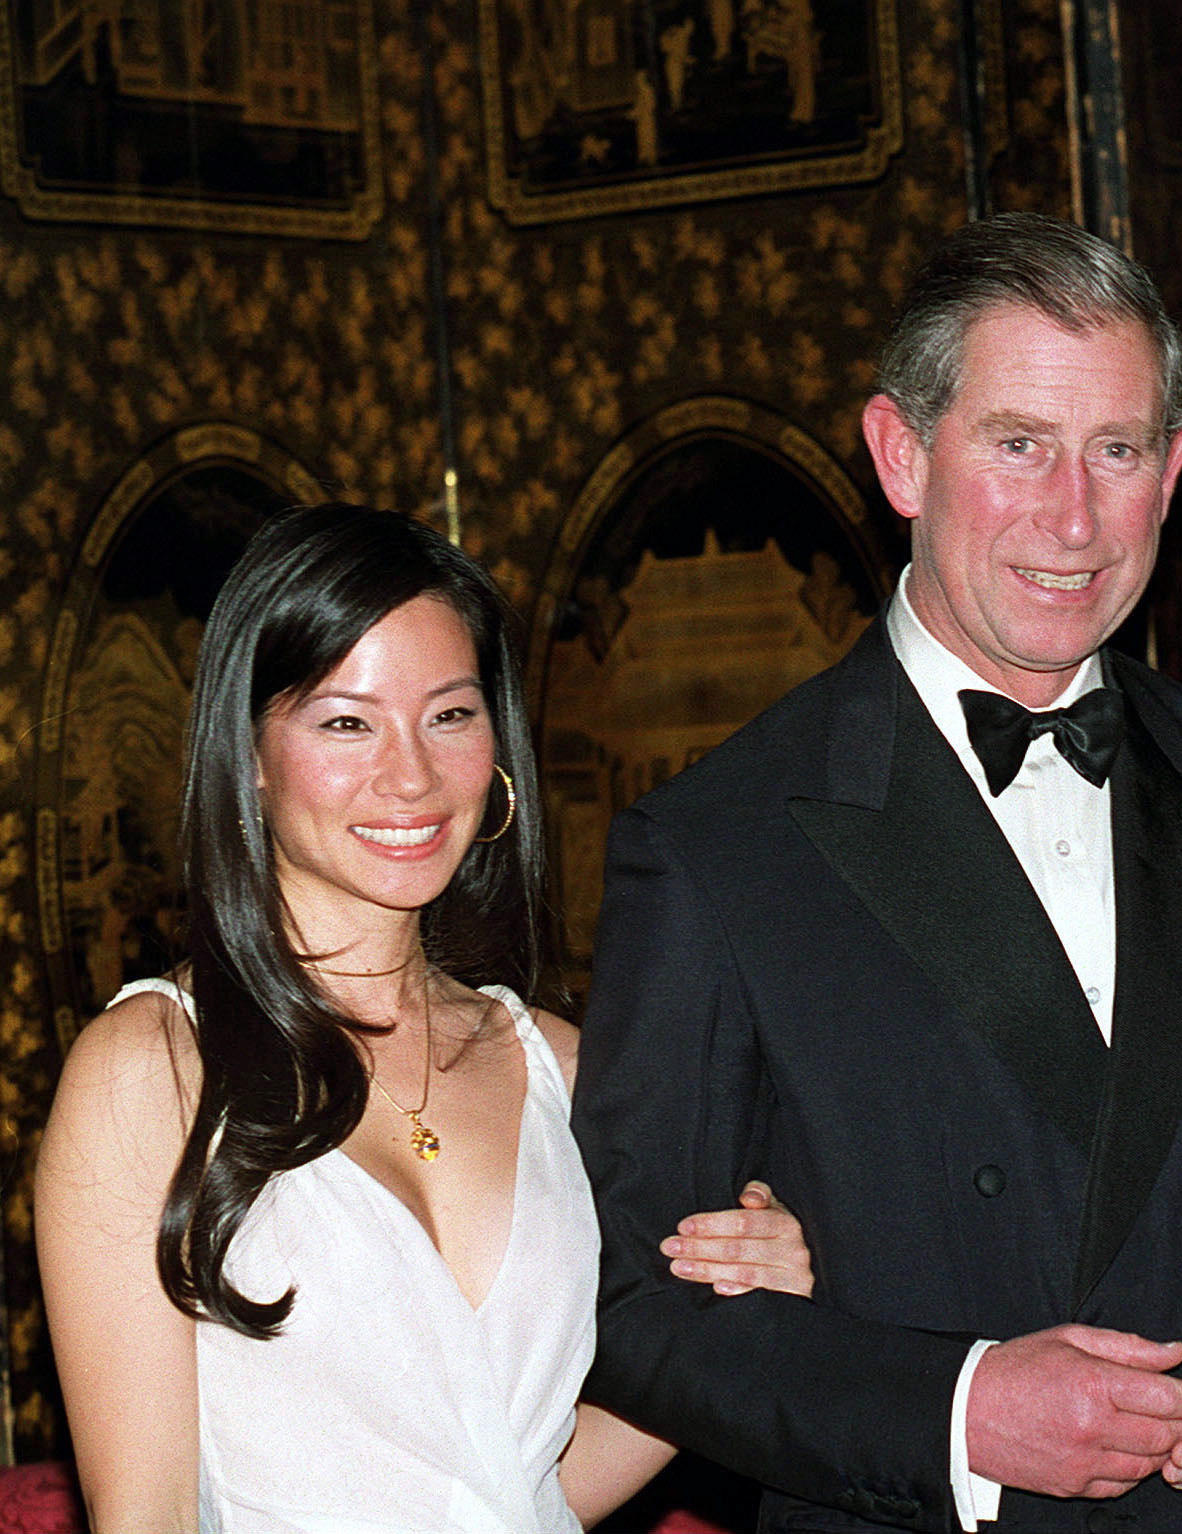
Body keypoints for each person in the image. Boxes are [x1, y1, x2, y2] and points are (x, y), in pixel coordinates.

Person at [573, 212, 1182, 1534]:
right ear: (901, 454)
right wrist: (956, 1410)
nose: (1073, 517)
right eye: (1018, 444)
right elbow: (639, 1312)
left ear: (1174, 468)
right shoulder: (718, 843)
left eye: (1117, 451)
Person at [35, 504, 814, 1532]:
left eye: (449, 714)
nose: (410, 775)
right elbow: (145, 1512)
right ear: (252, 753)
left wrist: (739, 1309)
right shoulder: (155, 1069)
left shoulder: (566, 1069)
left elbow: (523, 1486)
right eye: (346, 721)